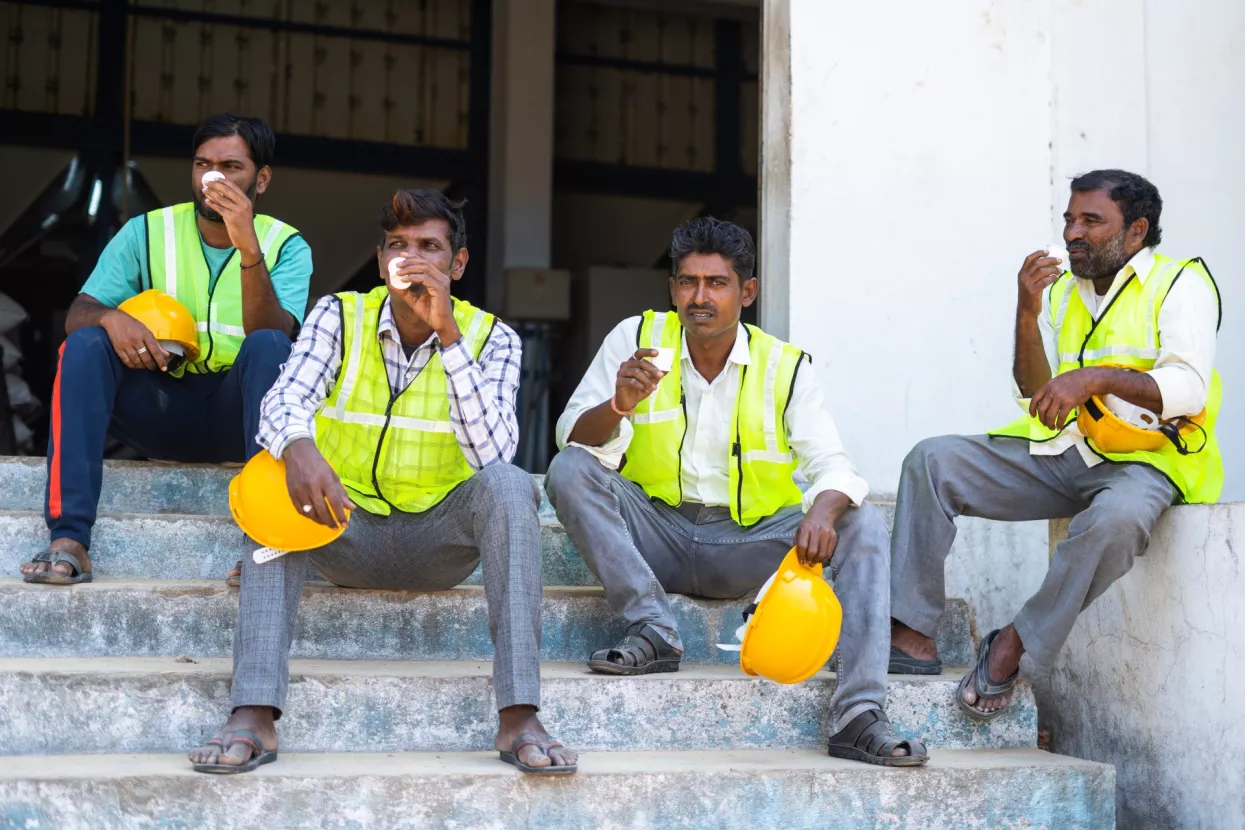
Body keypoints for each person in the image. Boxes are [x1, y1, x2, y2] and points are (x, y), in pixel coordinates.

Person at [187, 188, 578, 775]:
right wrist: (298, 449)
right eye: (398, 245)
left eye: (429, 246)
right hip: (340, 528)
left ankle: (519, 713)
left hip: (438, 542)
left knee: (510, 486)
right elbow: (284, 399)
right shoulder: (338, 315)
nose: (412, 258)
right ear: (380, 258)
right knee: (272, 477)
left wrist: (447, 336)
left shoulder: (493, 338)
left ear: (458, 264)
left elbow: (494, 452)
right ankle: (253, 712)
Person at [544, 217, 927, 767]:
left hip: (749, 549)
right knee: (569, 469)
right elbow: (571, 436)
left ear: (747, 291)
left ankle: (858, 714)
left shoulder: (785, 366)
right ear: (673, 287)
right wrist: (619, 405)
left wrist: (823, 508)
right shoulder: (635, 341)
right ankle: (654, 630)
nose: (699, 297)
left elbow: (833, 463)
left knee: (860, 521)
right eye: (687, 282)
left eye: (716, 283)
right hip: (655, 533)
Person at [889, 170, 1222, 719]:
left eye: (1092, 221)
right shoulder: (1064, 289)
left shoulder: (1182, 283)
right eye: (1070, 219)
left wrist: (1096, 378)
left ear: (1135, 232)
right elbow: (1033, 391)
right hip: (1062, 452)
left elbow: (1187, 389)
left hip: (1146, 460)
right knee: (932, 460)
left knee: (1116, 522)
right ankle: (910, 634)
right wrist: (1026, 310)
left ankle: (1012, 645)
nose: (1073, 232)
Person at [20, 113, 310, 585]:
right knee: (85, 343)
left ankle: (262, 541)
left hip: (240, 417)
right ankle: (69, 537)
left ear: (262, 178)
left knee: (269, 347)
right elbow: (79, 313)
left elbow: (275, 333)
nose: (213, 177)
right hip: (157, 407)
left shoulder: (285, 245)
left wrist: (247, 248)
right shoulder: (146, 231)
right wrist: (113, 319)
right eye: (202, 163)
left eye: (231, 166)